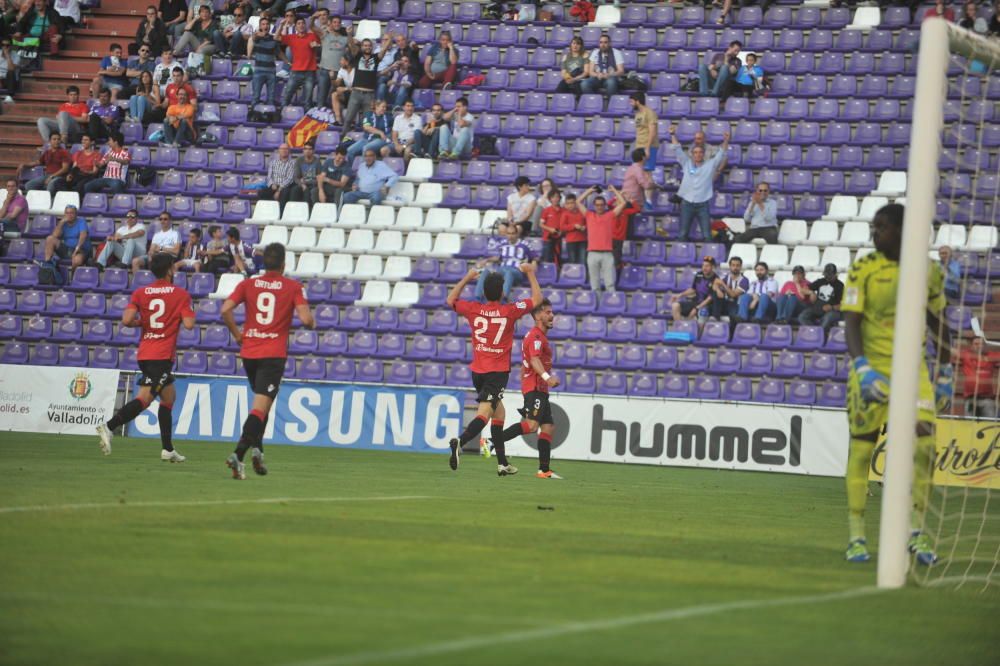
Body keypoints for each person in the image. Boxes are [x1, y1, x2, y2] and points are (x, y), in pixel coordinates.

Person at [842, 203, 952, 565]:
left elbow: (936, 320)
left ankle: (917, 533)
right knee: (862, 450)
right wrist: (861, 368)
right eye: (874, 227)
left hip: (913, 370)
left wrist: (948, 369)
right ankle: (857, 536)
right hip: (871, 369)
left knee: (925, 445)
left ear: (903, 230)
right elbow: (852, 322)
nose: (875, 233)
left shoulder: (929, 270)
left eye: (882, 227)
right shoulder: (863, 268)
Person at [221, 243, 315, 479]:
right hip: (272, 354)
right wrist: (311, 321)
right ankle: (238, 454)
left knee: (263, 406)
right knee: (260, 408)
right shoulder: (292, 286)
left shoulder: (248, 283)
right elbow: (305, 320)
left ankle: (258, 451)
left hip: (250, 353)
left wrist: (237, 334)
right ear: (283, 264)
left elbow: (225, 309)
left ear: (265, 263)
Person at [95, 253, 195, 461]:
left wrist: (143, 322)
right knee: (145, 399)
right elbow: (189, 324)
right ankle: (109, 427)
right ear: (169, 270)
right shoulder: (181, 294)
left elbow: (127, 320)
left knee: (169, 398)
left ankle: (168, 450)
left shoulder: (141, 292)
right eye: (173, 267)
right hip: (161, 355)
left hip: (146, 352)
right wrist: (182, 313)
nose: (175, 270)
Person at [445, 262, 541, 476]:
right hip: (496, 372)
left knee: (500, 414)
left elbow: (450, 300)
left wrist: (467, 277)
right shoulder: (509, 311)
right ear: (503, 291)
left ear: (484, 291)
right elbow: (537, 300)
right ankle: (460, 442)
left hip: (477, 371)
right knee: (485, 413)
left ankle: (502, 463)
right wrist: (530, 273)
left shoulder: (473, 309)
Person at [495, 298, 563, 479]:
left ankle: (544, 470)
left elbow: (525, 364)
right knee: (532, 426)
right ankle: (492, 441)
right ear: (538, 315)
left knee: (548, 427)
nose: (552, 315)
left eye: (551, 312)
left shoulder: (538, 337)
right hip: (536, 386)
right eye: (548, 312)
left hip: (537, 387)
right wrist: (547, 378)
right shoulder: (536, 337)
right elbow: (534, 360)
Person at [670, 125, 730, 241]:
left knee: (707, 234)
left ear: (703, 154)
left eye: (700, 152)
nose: (698, 154)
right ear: (692, 154)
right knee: (683, 233)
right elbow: (677, 148)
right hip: (687, 203)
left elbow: (721, 152)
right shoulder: (686, 163)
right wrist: (672, 134)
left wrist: (726, 140)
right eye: (695, 152)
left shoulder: (710, 164)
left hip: (703, 204)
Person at [576, 185, 628, 293]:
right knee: (595, 285)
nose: (599, 207)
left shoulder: (610, 215)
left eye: (601, 205)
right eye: (597, 205)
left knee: (610, 284)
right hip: (592, 253)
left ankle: (611, 308)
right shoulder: (589, 215)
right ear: (594, 206)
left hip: (607, 254)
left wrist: (614, 191)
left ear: (605, 206)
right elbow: (578, 202)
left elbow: (623, 203)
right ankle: (597, 307)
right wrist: (589, 190)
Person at [474, 222, 536, 302]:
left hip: (516, 271)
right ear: (506, 234)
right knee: (486, 272)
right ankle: (477, 298)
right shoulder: (502, 243)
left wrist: (533, 266)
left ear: (517, 234)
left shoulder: (525, 244)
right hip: (502, 270)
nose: (510, 236)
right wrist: (486, 260)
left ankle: (503, 298)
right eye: (508, 233)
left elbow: (535, 257)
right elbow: (497, 257)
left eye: (513, 233)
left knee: (508, 272)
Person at [313, 12, 351, 115]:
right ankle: (319, 118)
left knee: (337, 98)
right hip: (325, 70)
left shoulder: (344, 38)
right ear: (330, 24)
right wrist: (313, 17)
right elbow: (312, 27)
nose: (337, 24)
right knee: (321, 97)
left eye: (339, 22)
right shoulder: (324, 35)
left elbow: (354, 47)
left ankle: (335, 119)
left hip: (339, 73)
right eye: (334, 22)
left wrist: (350, 34)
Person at [342, 37, 381, 131]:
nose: (367, 47)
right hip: (356, 93)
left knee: (367, 122)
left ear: (372, 47)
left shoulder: (375, 58)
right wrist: (349, 34)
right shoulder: (358, 56)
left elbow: (383, 51)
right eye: (365, 45)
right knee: (348, 119)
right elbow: (351, 46)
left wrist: (390, 39)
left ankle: (364, 143)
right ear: (361, 47)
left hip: (370, 95)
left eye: (369, 45)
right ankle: (341, 142)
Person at [956, 336, 999, 418]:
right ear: (972, 346)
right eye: (976, 344)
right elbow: (950, 351)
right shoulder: (966, 355)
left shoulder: (991, 355)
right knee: (968, 426)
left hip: (987, 400)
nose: (979, 346)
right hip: (970, 399)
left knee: (988, 426)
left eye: (981, 344)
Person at [280, 17, 319, 107]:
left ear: (305, 25)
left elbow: (318, 45)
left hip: (310, 72)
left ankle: (306, 119)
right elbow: (277, 37)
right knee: (287, 96)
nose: (301, 25)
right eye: (299, 23)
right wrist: (281, 26)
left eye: (303, 23)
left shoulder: (312, 36)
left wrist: (316, 46)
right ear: (295, 27)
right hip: (295, 72)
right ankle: (281, 113)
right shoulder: (291, 37)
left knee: (307, 100)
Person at [42, 205, 91, 271]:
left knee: (77, 260)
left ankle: (73, 278)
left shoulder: (81, 221)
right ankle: (47, 266)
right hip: (67, 250)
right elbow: (54, 236)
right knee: (50, 239)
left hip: (81, 250)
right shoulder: (63, 223)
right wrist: (61, 222)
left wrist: (77, 249)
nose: (69, 215)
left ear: (76, 214)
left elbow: (83, 236)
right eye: (67, 213)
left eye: (71, 213)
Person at [798, 262, 844, 332]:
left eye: (830, 276)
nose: (827, 278)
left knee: (827, 318)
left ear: (835, 274)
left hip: (832, 311)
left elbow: (842, 305)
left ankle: (819, 334)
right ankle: (813, 331)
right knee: (802, 317)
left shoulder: (840, 285)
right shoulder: (820, 281)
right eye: (826, 275)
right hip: (817, 307)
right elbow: (803, 290)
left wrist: (832, 307)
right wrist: (811, 293)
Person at [246, 16, 279, 113]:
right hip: (259, 71)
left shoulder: (273, 39)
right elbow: (254, 37)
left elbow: (278, 52)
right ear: (260, 26)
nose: (265, 26)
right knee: (256, 96)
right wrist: (260, 34)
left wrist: (288, 62)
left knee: (271, 98)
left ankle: (270, 116)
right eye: (263, 24)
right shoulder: (256, 37)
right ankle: (253, 115)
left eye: (267, 24)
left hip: (271, 71)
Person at [670, 256, 719, 321]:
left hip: (707, 305)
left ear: (712, 267)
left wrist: (697, 308)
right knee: (675, 306)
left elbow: (710, 298)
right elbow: (693, 289)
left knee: (699, 313)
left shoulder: (716, 279)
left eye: (707, 266)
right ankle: (679, 329)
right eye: (703, 265)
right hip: (696, 302)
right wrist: (679, 295)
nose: (704, 268)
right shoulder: (699, 275)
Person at [609, 185, 641, 269]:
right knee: (612, 255)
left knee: (618, 254)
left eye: (622, 202)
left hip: (620, 237)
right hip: (611, 237)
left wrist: (631, 201)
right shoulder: (613, 210)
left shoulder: (626, 212)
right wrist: (616, 197)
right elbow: (608, 203)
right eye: (618, 201)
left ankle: (618, 268)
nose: (620, 203)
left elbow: (637, 210)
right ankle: (616, 267)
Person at [259, 143, 296, 211]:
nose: (284, 150)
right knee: (261, 193)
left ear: (289, 151)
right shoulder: (273, 162)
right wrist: (272, 184)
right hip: (274, 186)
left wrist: (279, 190)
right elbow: (269, 177)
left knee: (284, 193)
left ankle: (280, 215)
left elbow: (290, 179)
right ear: (279, 150)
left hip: (284, 186)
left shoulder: (293, 163)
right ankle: (266, 212)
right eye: (282, 149)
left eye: (286, 149)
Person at [630, 92, 658, 173]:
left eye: (632, 101)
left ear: (637, 101)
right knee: (639, 173)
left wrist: (647, 148)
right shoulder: (637, 114)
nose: (631, 104)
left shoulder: (650, 113)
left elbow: (653, 132)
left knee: (647, 173)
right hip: (639, 146)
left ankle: (652, 186)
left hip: (649, 146)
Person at [291, 141, 321, 207]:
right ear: (303, 150)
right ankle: (292, 210)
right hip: (302, 184)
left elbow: (320, 178)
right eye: (306, 149)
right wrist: (302, 184)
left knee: (308, 192)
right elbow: (296, 177)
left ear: (313, 151)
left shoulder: (317, 161)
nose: (307, 151)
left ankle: (307, 212)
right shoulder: (299, 160)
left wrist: (307, 181)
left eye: (310, 149)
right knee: (294, 190)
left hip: (313, 185)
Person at [561, 191, 587, 266]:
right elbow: (562, 227)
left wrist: (584, 227)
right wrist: (574, 226)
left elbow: (589, 223)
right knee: (572, 261)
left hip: (582, 240)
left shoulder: (582, 212)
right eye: (567, 203)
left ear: (576, 203)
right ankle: (573, 277)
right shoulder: (565, 214)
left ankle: (582, 277)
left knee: (583, 261)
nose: (570, 205)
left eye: (572, 203)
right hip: (571, 241)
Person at [538, 189, 564, 266]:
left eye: (557, 197)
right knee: (547, 259)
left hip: (559, 239)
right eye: (553, 197)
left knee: (558, 260)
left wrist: (561, 231)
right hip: (548, 239)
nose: (555, 199)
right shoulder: (546, 210)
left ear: (560, 198)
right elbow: (541, 224)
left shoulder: (564, 211)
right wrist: (550, 229)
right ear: (550, 199)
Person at [329, 54, 355, 126]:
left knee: (342, 90)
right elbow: (336, 84)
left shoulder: (356, 71)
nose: (340, 62)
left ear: (347, 62)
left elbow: (358, 87)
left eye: (342, 60)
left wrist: (345, 88)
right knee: (334, 94)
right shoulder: (342, 70)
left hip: (357, 94)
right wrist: (332, 78)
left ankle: (352, 121)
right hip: (349, 93)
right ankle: (338, 119)